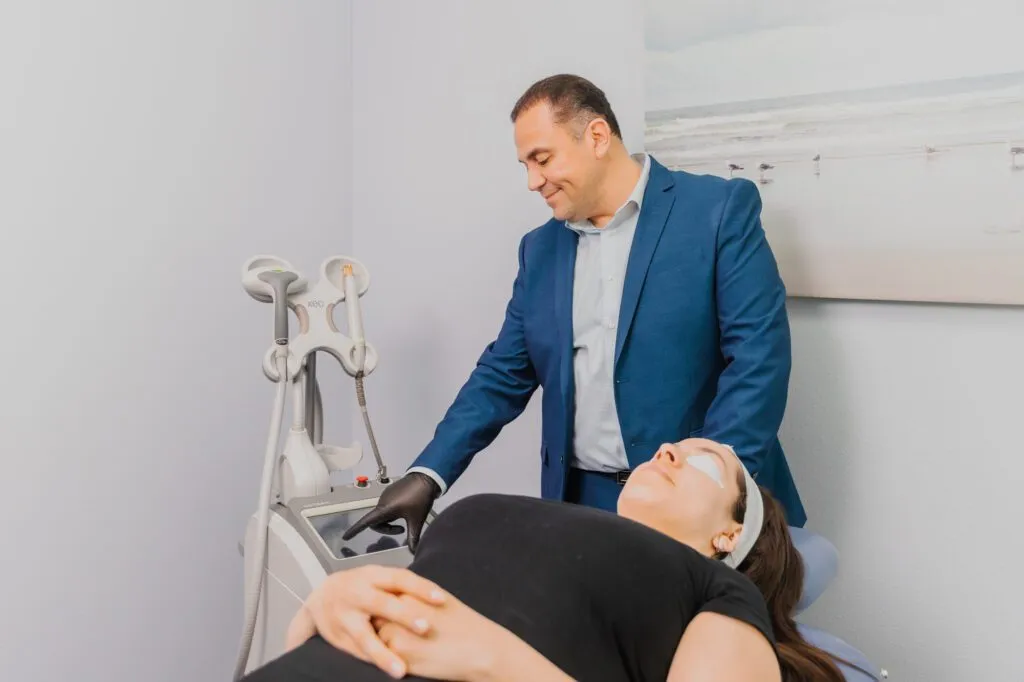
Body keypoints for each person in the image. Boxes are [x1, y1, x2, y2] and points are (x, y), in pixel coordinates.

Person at [343, 73, 804, 553]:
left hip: (700, 509)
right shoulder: (540, 250)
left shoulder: (716, 210)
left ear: (597, 137)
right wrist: (428, 474)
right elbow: (502, 374)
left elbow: (758, 360)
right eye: (525, 164)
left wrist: (708, 493)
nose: (532, 181)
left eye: (542, 159)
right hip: (583, 507)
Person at [241, 438, 845, 682]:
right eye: (670, 446)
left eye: (707, 460)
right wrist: (329, 601)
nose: (668, 449)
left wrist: (493, 661)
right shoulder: (518, 515)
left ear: (729, 534)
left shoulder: (717, 591)